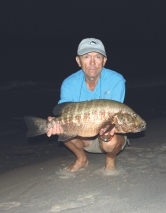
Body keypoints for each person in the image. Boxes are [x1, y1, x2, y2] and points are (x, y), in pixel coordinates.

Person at [47, 38, 128, 172]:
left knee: (111, 141)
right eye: (86, 57)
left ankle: (110, 158)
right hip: (83, 134)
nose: (92, 63)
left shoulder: (116, 80)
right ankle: (81, 159)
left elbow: (116, 114)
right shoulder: (69, 83)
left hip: (107, 134)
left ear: (104, 61)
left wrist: (109, 128)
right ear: (78, 61)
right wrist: (53, 123)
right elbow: (62, 111)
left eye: (97, 57)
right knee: (63, 127)